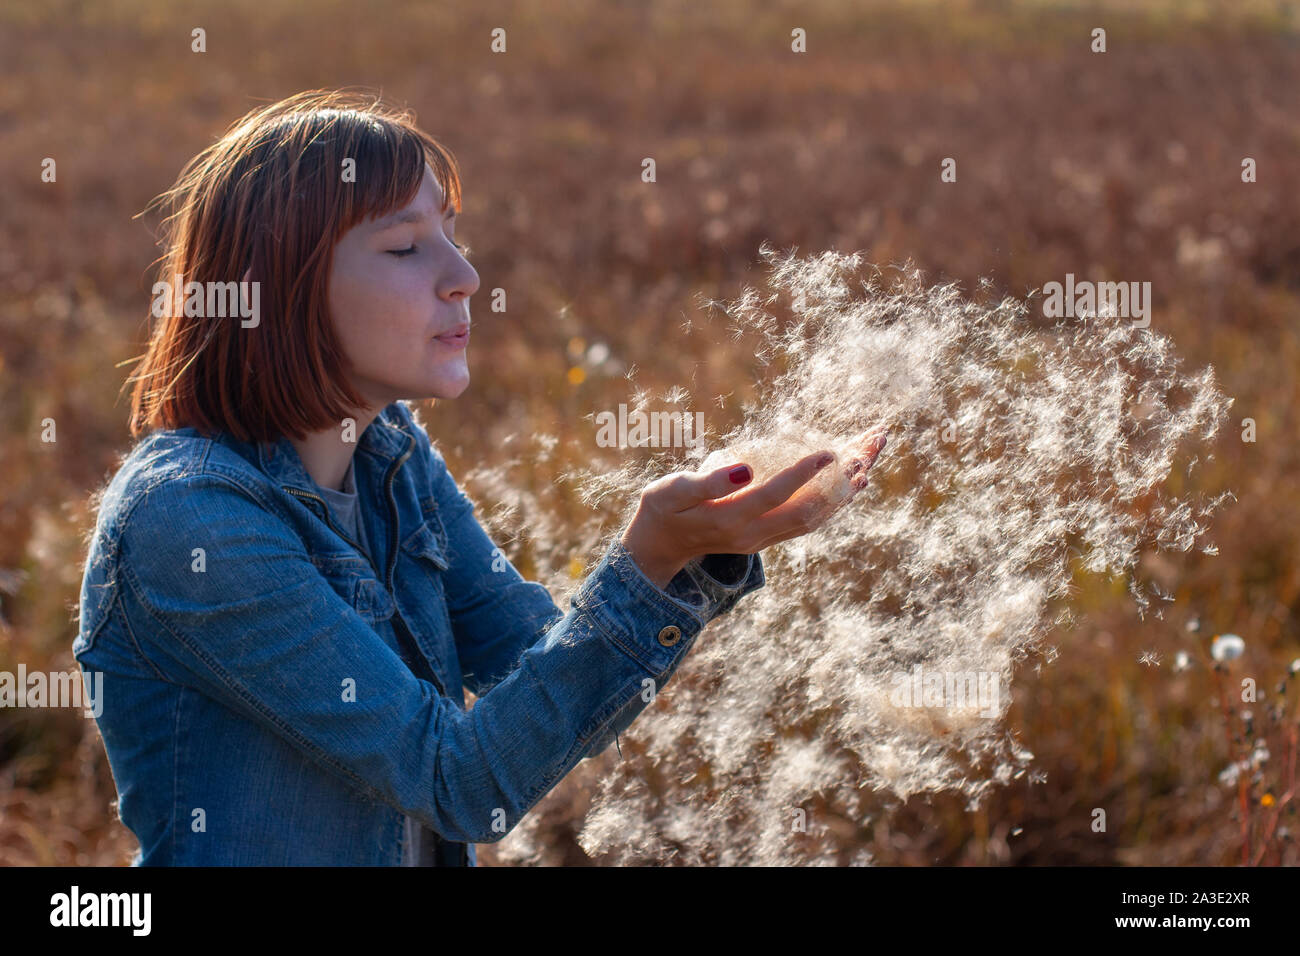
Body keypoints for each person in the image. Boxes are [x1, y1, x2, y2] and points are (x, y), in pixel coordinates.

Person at [74, 90, 885, 865]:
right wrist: (647, 561)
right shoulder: (188, 521)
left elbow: (542, 674)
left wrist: (696, 546)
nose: (463, 273)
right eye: (405, 247)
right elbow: (456, 782)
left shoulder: (390, 452)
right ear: (279, 287)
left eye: (452, 233)